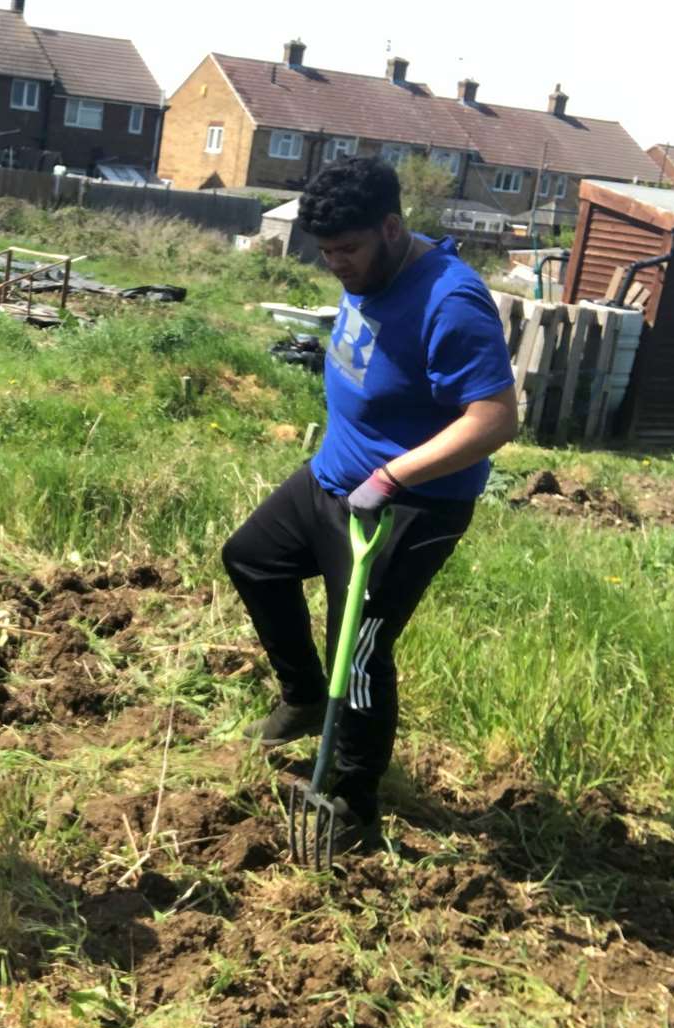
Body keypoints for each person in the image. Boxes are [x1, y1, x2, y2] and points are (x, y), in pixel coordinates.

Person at [222, 156, 518, 850]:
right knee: (252, 559)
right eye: (324, 253)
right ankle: (301, 697)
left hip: (411, 503)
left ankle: (353, 803)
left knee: (358, 647)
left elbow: (496, 418)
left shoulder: (450, 301)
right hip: (333, 478)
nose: (336, 266)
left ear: (391, 228)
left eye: (347, 250)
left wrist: (390, 478)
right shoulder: (364, 269)